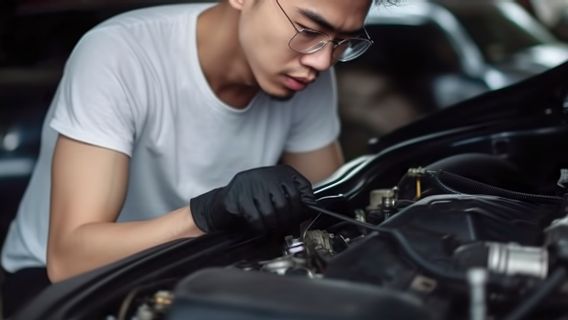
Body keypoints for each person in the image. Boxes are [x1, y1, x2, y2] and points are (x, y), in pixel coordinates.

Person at [1, 0, 388, 316]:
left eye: (342, 42)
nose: (323, 62)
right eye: (308, 30)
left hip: (202, 262)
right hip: (57, 281)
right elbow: (69, 260)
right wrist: (207, 213)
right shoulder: (120, 52)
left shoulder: (307, 70)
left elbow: (325, 215)